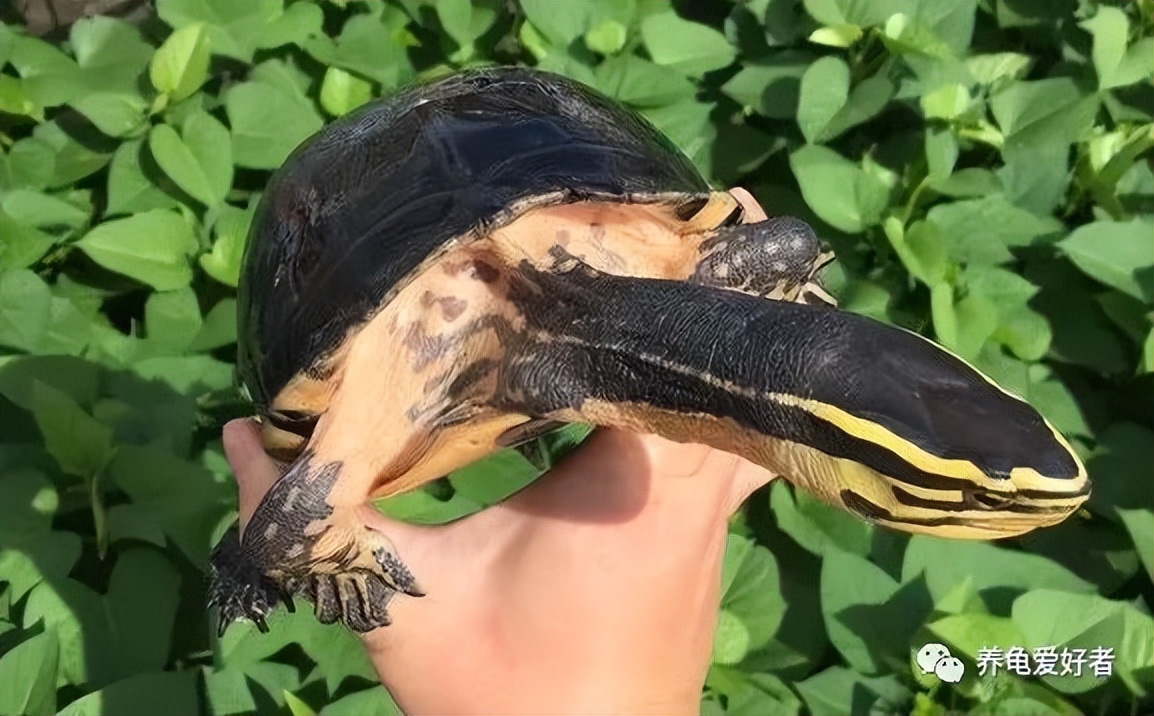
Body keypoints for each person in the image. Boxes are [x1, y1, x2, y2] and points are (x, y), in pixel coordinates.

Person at [221, 190, 778, 715]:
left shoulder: (639, 250)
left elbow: (778, 247)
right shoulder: (380, 367)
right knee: (278, 534)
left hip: (604, 237)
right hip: (392, 362)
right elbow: (291, 519)